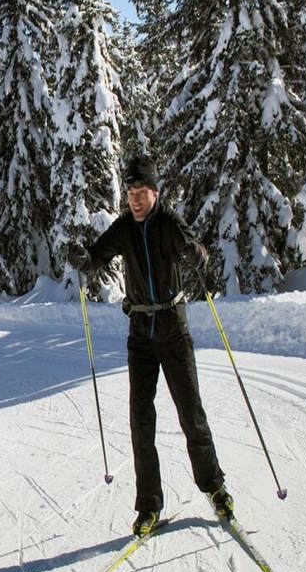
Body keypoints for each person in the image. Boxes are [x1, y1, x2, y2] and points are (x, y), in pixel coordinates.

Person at [67, 154, 234, 537]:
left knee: (191, 413)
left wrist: (197, 255)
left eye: (141, 192)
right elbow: (95, 259)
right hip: (141, 332)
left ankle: (214, 487)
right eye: (130, 193)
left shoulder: (168, 223)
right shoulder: (124, 227)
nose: (135, 200)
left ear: (155, 193)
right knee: (141, 422)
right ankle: (148, 507)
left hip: (174, 330)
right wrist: (82, 258)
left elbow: (197, 251)